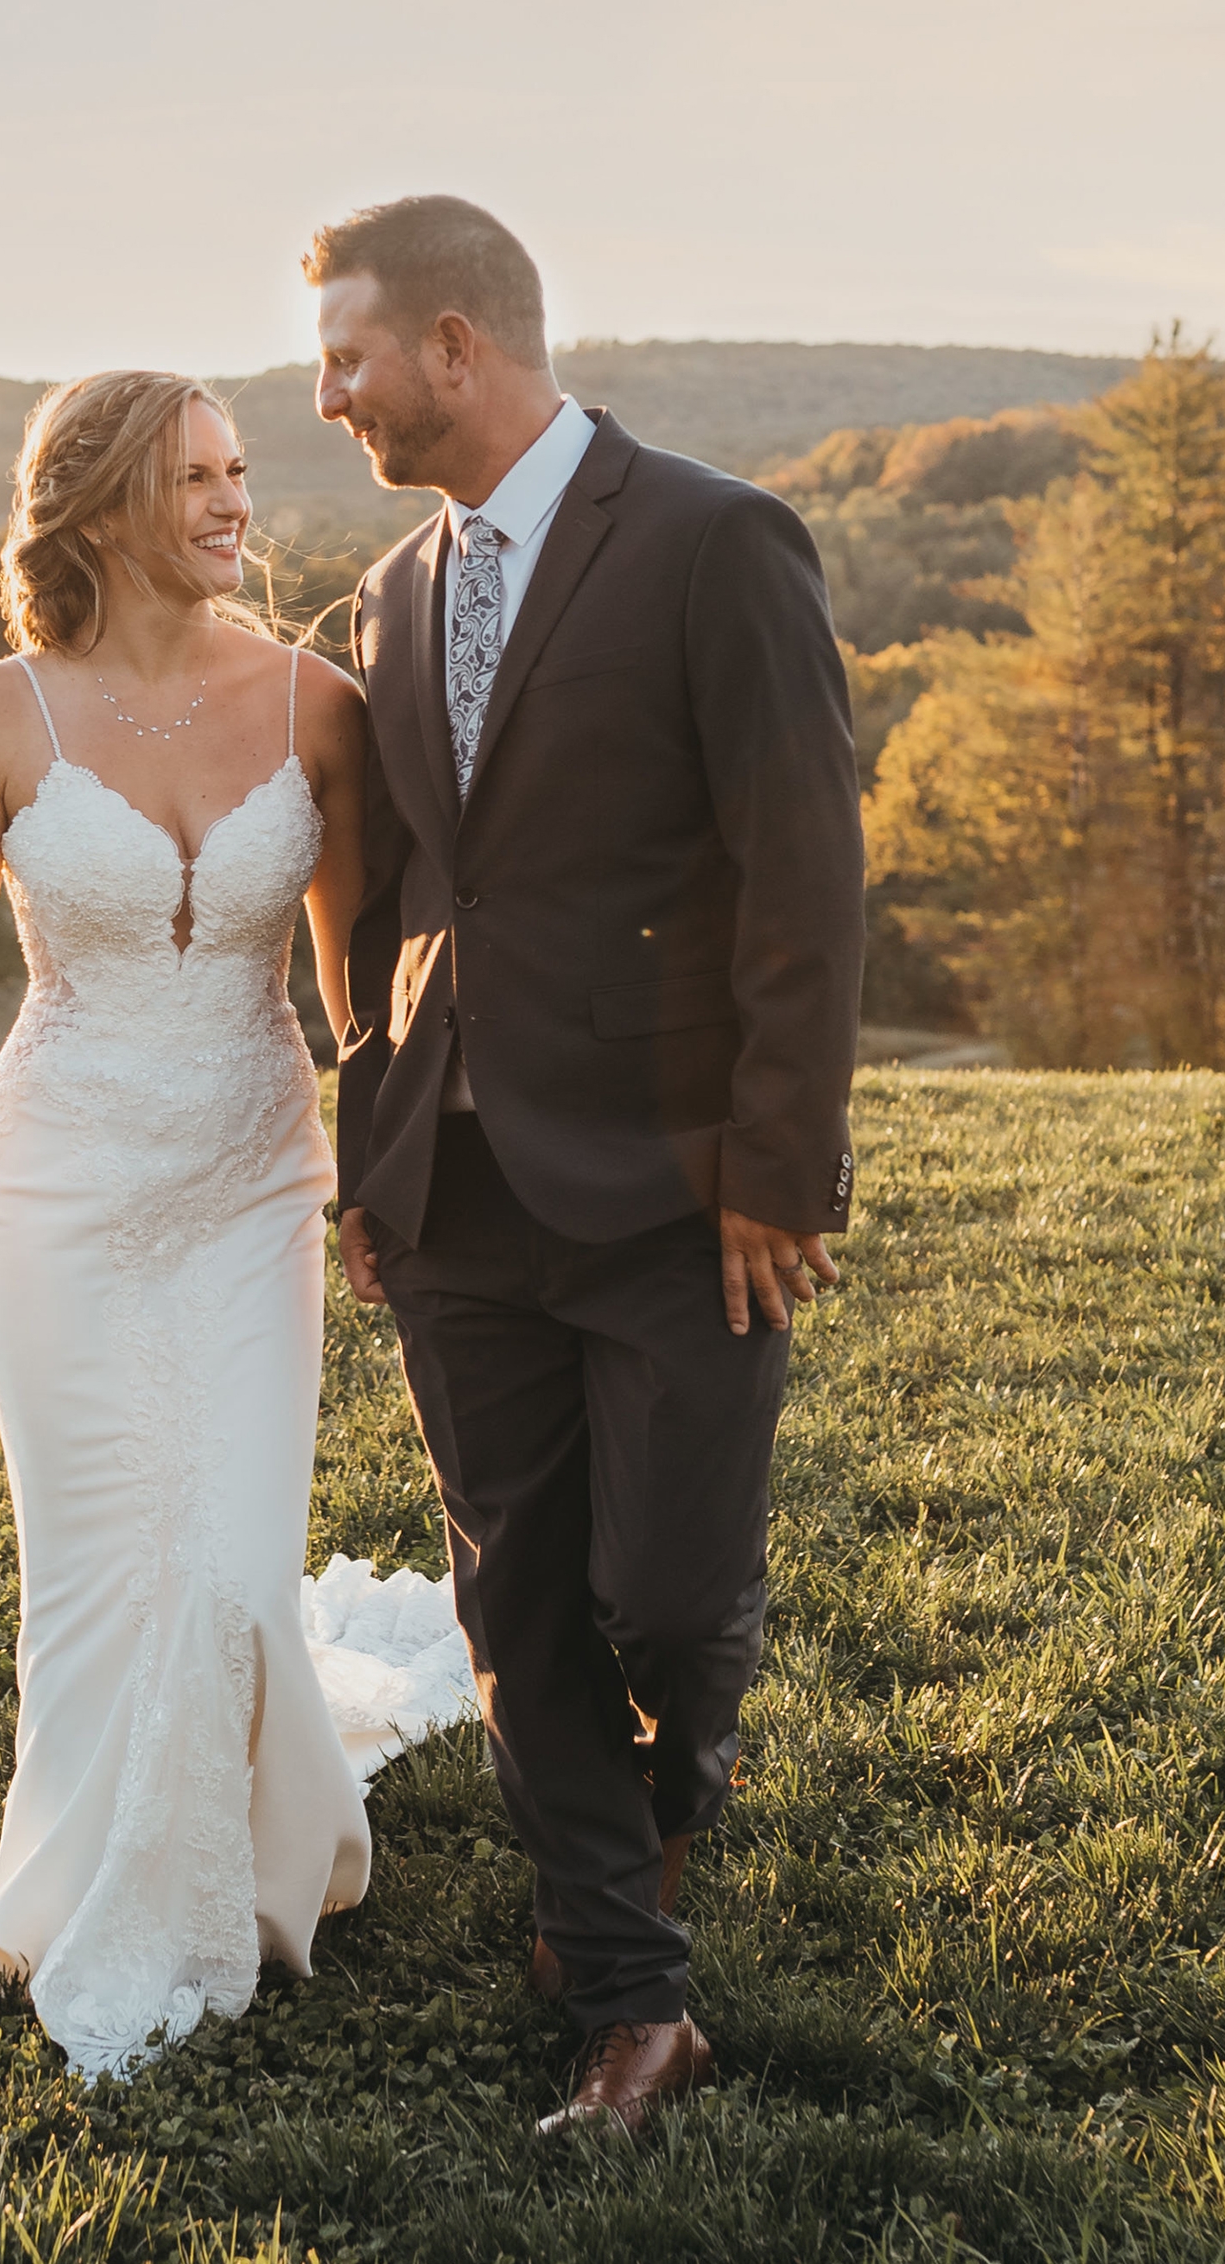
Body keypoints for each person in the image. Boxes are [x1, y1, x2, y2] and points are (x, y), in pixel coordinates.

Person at [313, 197, 864, 2143]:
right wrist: (369, 1141)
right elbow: (376, 908)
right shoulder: (379, 600)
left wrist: (780, 1168)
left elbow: (807, 877)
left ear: (457, 346)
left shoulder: (718, 545)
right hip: (450, 1200)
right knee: (515, 1597)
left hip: (680, 1185)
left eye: (350, 357)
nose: (329, 396)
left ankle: (668, 1796)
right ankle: (634, 2006)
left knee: (675, 1591)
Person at [0, 366, 471, 2081]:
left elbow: (364, 990)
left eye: (237, 472)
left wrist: (387, 1178)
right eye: (195, 476)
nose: (234, 501)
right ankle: (83, 1887)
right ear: (103, 503)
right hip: (57, 1186)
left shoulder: (317, 707)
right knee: (91, 1575)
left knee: (224, 1567)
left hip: (249, 1181)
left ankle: (264, 1865)